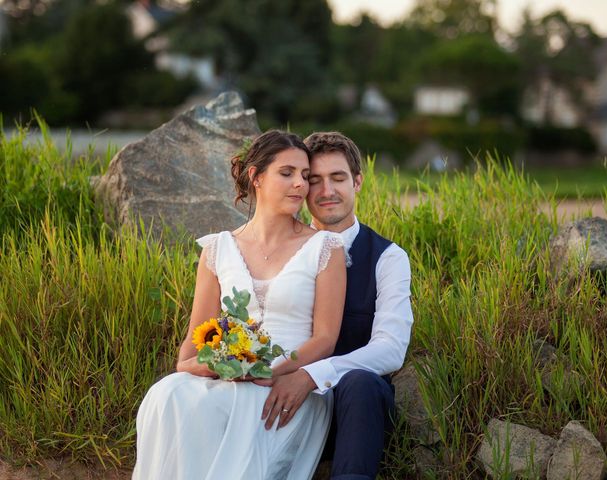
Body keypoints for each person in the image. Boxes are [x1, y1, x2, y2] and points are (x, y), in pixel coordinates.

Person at [133, 130, 347, 480]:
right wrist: (207, 366)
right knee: (166, 394)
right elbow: (193, 343)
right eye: (287, 173)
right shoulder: (217, 249)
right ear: (256, 177)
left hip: (287, 386)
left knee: (228, 408)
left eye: (305, 176)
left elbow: (325, 338)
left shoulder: (325, 248)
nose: (299, 184)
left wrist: (269, 371)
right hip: (231, 377)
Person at [256, 132, 413, 480]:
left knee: (362, 383)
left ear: (357, 182)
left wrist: (312, 375)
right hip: (281, 398)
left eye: (338, 178)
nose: (326, 191)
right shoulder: (281, 251)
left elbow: (391, 349)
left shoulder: (388, 258)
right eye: (314, 180)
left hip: (352, 411)